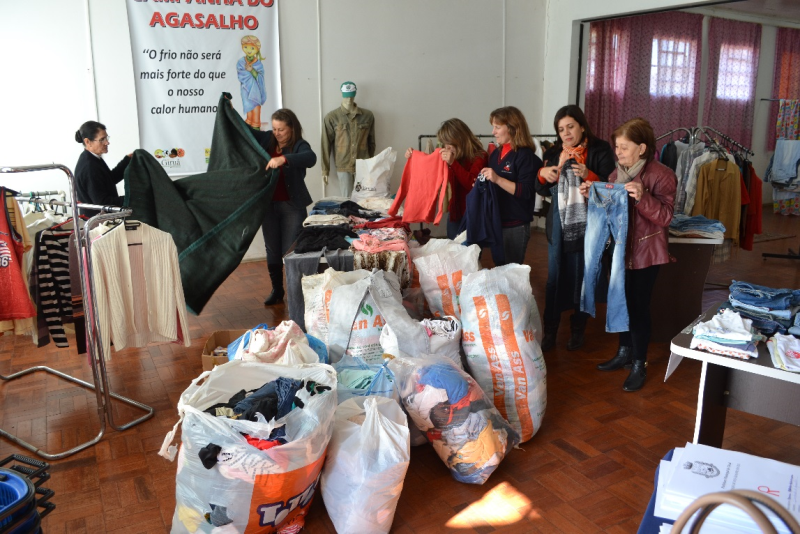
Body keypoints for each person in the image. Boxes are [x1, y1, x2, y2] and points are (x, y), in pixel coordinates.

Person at [580, 117, 676, 392]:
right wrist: (593, 195)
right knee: (619, 301)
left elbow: (666, 217)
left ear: (641, 148)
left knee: (637, 307)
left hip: (646, 254)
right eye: (617, 147)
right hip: (619, 252)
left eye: (624, 147)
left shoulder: (662, 175)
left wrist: (644, 197)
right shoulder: (615, 175)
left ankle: (639, 363)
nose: (618, 152)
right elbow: (610, 214)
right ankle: (624, 352)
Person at [535, 105, 615, 352]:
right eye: (561, 129)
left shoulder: (600, 150)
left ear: (582, 125)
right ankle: (550, 329)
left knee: (583, 276)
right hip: (559, 225)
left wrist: (589, 174)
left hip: (589, 224)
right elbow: (540, 189)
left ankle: (578, 328)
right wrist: (543, 173)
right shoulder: (555, 152)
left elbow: (611, 187)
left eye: (570, 126)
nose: (566, 133)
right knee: (554, 278)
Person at [251, 109, 317, 306]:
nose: (277, 133)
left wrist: (284, 159)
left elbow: (310, 158)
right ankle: (277, 290)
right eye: (274, 129)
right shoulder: (268, 140)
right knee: (272, 249)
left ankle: (295, 292)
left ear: (292, 128)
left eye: (281, 129)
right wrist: (228, 109)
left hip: (291, 206)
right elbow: (245, 131)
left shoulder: (299, 145)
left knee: (290, 251)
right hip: (268, 206)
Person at [478, 106, 542, 265]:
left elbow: (527, 191)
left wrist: (498, 179)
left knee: (510, 272)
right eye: (493, 127)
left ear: (512, 128)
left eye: (497, 127)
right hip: (497, 222)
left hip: (515, 226)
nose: (493, 132)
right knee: (500, 268)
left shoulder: (525, 156)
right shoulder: (495, 154)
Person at [404, 119, 487, 239]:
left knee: (471, 249)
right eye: (444, 143)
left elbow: (472, 185)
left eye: (449, 143)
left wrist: (453, 163)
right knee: (452, 247)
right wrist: (414, 156)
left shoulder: (480, 156)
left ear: (460, 139)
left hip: (474, 215)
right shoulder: (454, 156)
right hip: (455, 213)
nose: (446, 147)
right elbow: (428, 171)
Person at [321, 81, 376, 197]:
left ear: (355, 94)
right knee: (346, 199)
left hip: (363, 165)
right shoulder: (332, 117)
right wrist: (325, 170)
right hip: (343, 165)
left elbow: (371, 142)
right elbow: (325, 145)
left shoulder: (367, 116)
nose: (349, 99)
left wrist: (370, 164)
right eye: (346, 96)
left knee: (364, 199)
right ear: (342, 94)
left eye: (351, 96)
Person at [74, 121, 133, 217]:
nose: (107, 142)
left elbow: (109, 180)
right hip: (98, 222)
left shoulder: (91, 158)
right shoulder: (89, 166)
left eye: (106, 138)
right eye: (102, 139)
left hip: (100, 219)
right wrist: (132, 198)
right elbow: (103, 202)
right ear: (88, 142)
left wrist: (127, 161)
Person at [237, 35, 267, 130]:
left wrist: (252, 70)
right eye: (246, 47)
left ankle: (256, 127)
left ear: (257, 49)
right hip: (246, 89)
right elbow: (241, 74)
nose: (249, 50)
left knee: (256, 109)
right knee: (249, 108)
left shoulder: (258, 63)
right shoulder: (241, 62)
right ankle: (249, 126)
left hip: (256, 90)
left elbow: (260, 76)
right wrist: (248, 72)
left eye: (252, 48)